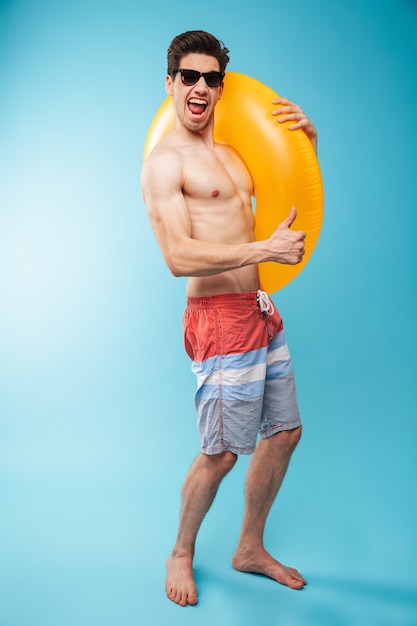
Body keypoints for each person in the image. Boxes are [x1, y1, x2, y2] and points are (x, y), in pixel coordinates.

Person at [141, 30, 318, 607]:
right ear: (171, 84)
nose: (199, 87)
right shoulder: (165, 164)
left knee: (285, 433)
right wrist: (260, 252)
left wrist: (307, 143)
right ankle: (181, 552)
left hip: (260, 306)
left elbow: (289, 198)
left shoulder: (236, 153)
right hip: (217, 316)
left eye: (210, 78)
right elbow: (177, 257)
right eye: (188, 76)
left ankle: (249, 547)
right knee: (220, 451)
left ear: (222, 87)